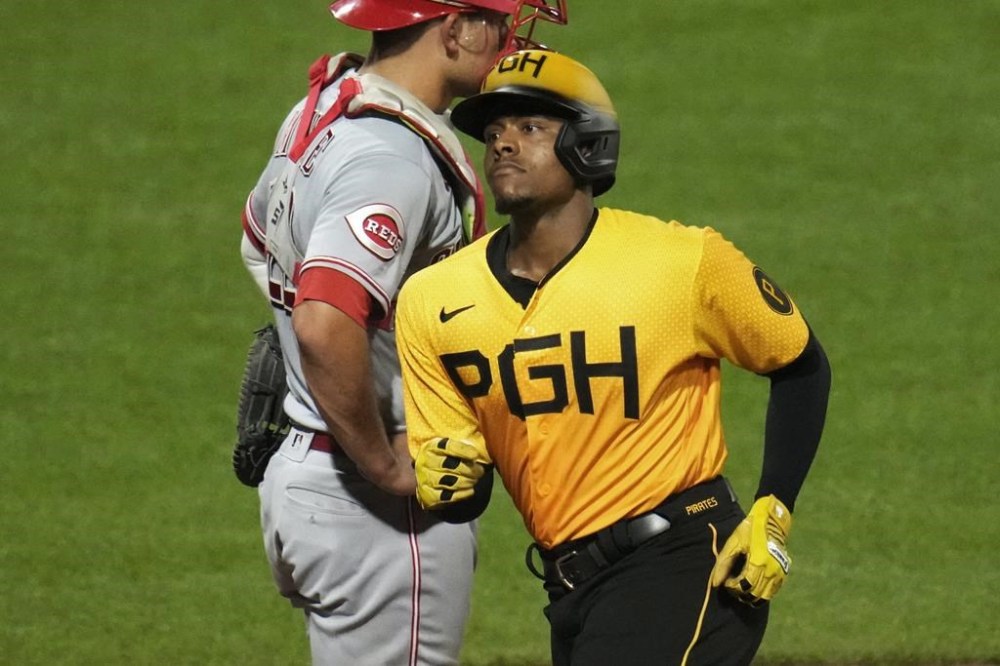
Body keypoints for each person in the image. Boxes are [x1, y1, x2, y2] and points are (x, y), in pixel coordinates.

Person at [396, 49, 832, 665]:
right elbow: (463, 489)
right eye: (493, 132)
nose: (503, 145)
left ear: (589, 145)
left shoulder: (680, 262)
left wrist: (774, 507)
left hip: (686, 560)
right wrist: (447, 483)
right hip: (568, 587)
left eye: (531, 128)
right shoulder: (432, 299)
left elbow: (801, 363)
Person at [237, 3, 567, 664]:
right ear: (454, 31)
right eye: (498, 22)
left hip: (306, 470)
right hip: (370, 508)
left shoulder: (326, 108)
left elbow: (261, 244)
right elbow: (324, 318)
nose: (509, 38)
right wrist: (383, 464)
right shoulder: (390, 159)